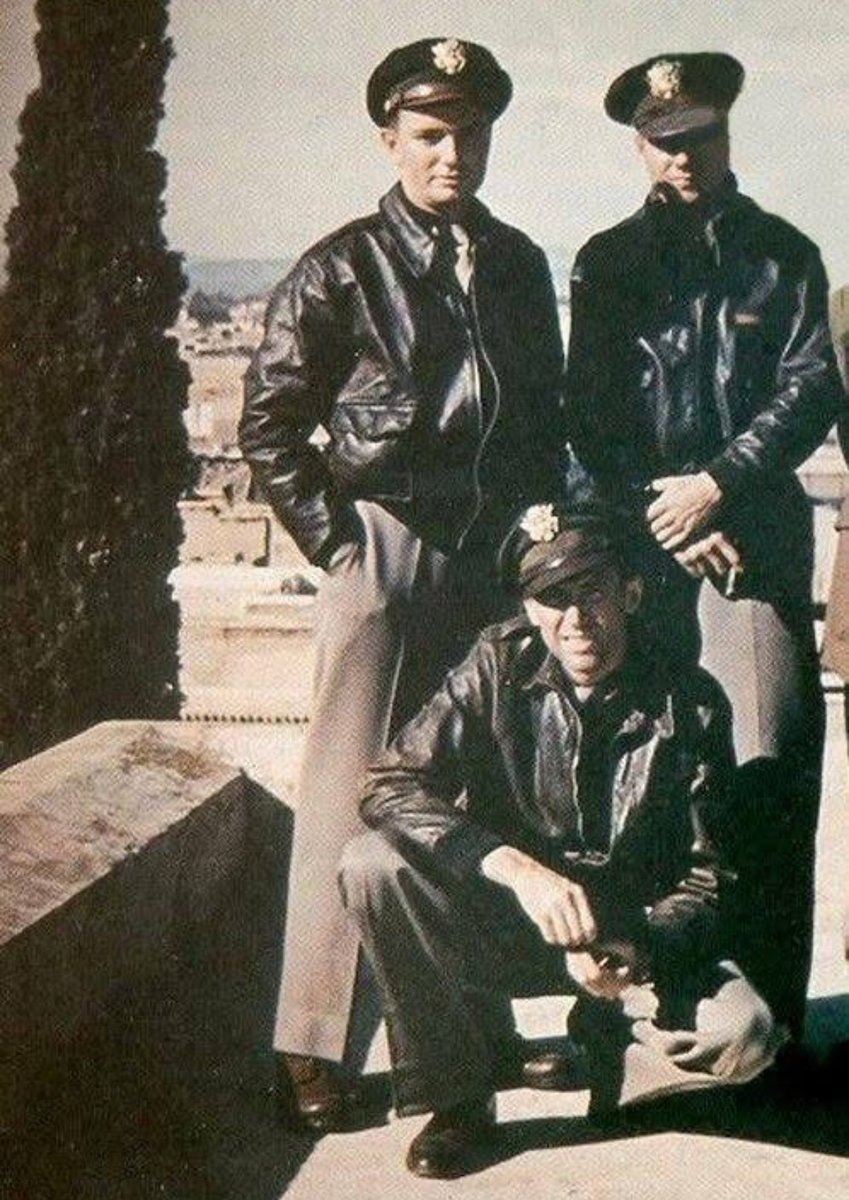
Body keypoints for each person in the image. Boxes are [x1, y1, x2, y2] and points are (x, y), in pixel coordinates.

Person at [239, 37, 566, 1131]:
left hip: (487, 559)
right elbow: (271, 420)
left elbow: (539, 415)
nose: (453, 154)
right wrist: (340, 545)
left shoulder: (515, 262)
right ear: (391, 140)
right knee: (345, 796)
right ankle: (312, 1045)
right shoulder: (342, 266)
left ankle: (473, 1027)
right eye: (430, 135)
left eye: (469, 132)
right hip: (383, 549)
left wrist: (530, 527)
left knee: (472, 795)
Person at [340, 505, 780, 1179]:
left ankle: (610, 1055)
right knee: (371, 864)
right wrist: (513, 868)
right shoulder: (496, 664)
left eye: (592, 592)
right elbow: (389, 784)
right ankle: (458, 1100)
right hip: (512, 923)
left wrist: (636, 944)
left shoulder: (688, 702)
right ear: (528, 608)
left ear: (629, 594)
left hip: (628, 938)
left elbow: (707, 879)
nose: (575, 621)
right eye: (552, 599)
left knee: (742, 1035)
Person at [563, 52, 846, 1037]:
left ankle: (769, 1022)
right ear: (640, 146)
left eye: (704, 137)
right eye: (666, 142)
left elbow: (811, 389)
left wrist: (717, 485)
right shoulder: (608, 262)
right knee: (635, 778)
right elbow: (590, 419)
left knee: (765, 770)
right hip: (645, 556)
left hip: (755, 545)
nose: (687, 158)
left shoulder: (783, 254)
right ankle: (620, 1011)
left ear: (728, 134)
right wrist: (666, 515)